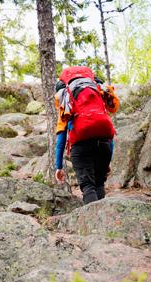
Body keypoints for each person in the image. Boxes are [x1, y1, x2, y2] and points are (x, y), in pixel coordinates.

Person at [54, 66, 119, 204]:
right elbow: (108, 132)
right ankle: (102, 220)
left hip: (81, 145)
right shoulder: (98, 95)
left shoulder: (66, 98)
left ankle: (94, 223)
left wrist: (58, 166)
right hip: (104, 146)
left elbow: (61, 139)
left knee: (88, 186)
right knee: (99, 184)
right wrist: (108, 160)